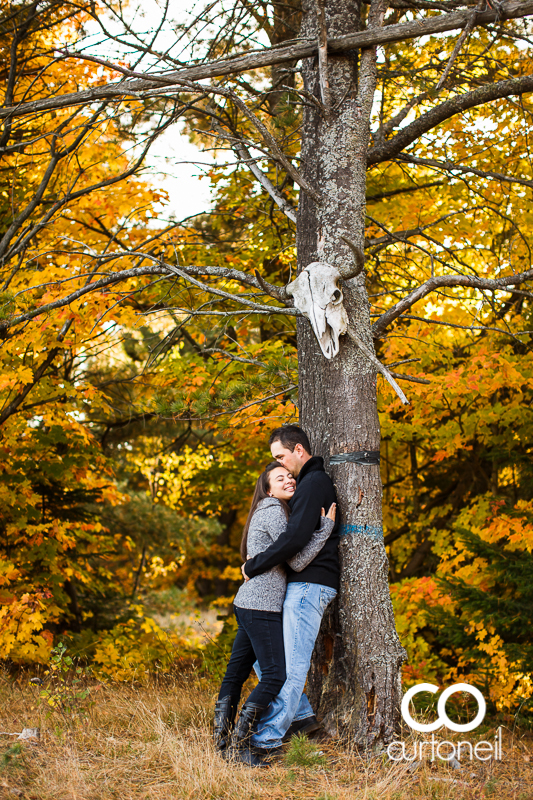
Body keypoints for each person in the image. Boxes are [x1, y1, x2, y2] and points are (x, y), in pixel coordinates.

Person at [214, 460, 336, 765]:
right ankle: (244, 743)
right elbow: (295, 561)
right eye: (280, 478)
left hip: (249, 603)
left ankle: (222, 743)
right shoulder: (272, 511)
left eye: (290, 476)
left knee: (236, 673)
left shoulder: (269, 510)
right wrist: (324, 530)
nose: (289, 480)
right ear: (267, 489)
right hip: (261, 606)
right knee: (274, 675)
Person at [242, 424, 340, 763]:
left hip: (310, 584)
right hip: (301, 584)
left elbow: (295, 539)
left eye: (281, 456)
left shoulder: (313, 483)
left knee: (292, 666)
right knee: (272, 661)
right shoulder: (309, 485)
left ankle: (265, 739)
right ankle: (301, 719)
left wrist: (253, 565)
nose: (280, 464)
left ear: (299, 449)